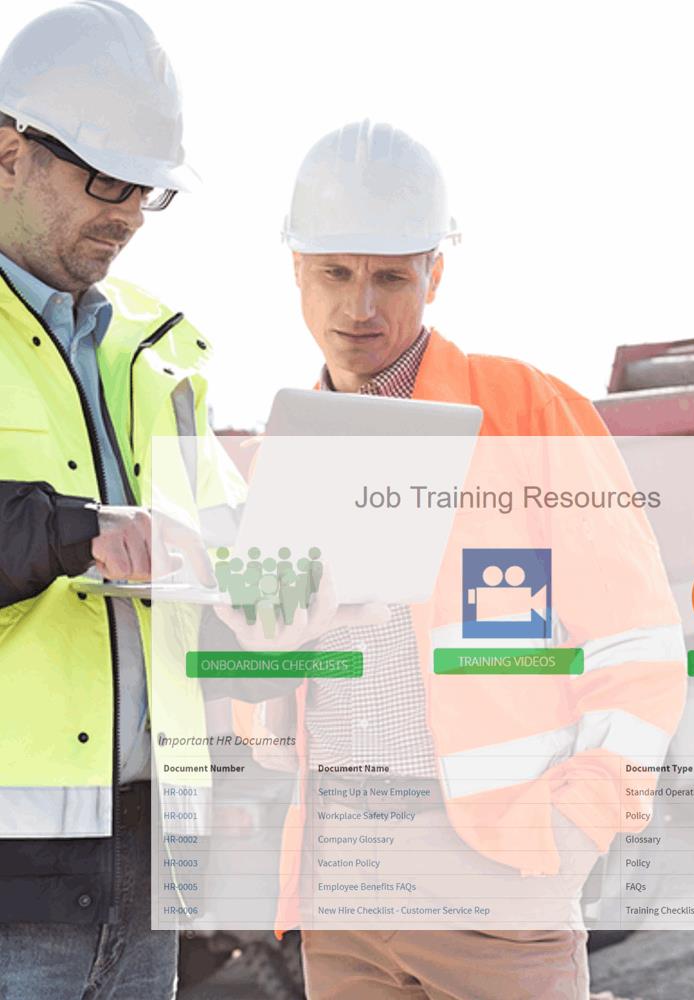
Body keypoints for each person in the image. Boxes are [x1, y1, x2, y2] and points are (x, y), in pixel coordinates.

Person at [269, 119, 688, 999]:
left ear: (436, 273)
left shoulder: (527, 409)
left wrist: (578, 825)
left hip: (498, 888)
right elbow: (281, 686)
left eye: (390, 276)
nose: (360, 308)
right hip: (343, 903)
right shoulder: (295, 450)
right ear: (295, 272)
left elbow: (638, 643)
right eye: (335, 274)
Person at [0, 3, 242, 998]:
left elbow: (218, 534)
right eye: (108, 180)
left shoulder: (164, 341)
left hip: (148, 861)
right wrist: (79, 534)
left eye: (149, 190)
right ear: (9, 151)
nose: (130, 212)